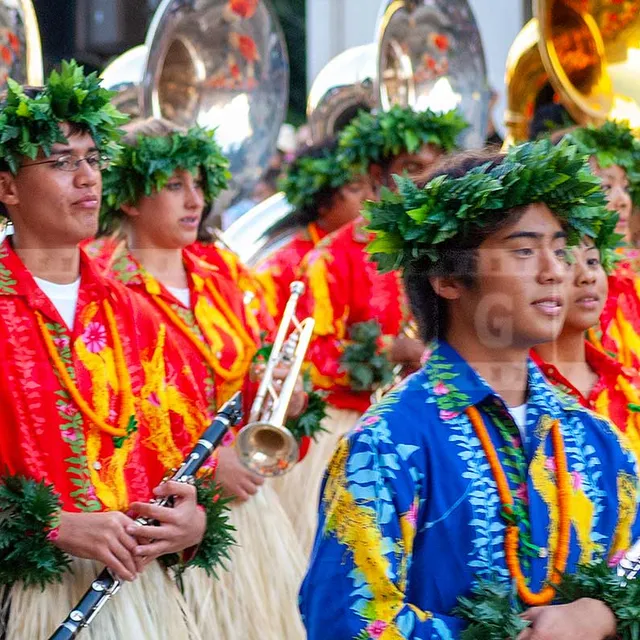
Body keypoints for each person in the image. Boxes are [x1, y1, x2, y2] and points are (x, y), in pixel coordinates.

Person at [300, 140, 640, 639]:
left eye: (560, 249)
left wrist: (599, 615)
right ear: (447, 278)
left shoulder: (597, 438)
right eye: (524, 250)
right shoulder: (388, 445)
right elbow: (345, 623)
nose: (555, 271)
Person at [0, 62, 230, 640]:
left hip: (140, 603)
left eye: (92, 160)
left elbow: (189, 466)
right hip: (18, 601)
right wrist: (55, 525)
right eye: (61, 162)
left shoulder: (135, 315)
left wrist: (192, 521)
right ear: (7, 187)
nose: (87, 179)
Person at [96, 117, 308, 640]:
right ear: (128, 198)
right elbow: (117, 411)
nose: (195, 199)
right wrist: (213, 465)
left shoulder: (221, 270)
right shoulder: (100, 282)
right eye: (173, 185)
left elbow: (253, 363)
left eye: (197, 183)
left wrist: (279, 388)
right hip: (154, 518)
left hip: (246, 513)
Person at [282, 106, 468, 554]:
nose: (427, 180)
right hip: (352, 434)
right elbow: (308, 359)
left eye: (436, 167)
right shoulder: (330, 259)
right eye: (411, 169)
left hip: (444, 427)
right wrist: (394, 350)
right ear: (376, 177)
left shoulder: (453, 250)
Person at [532, 238, 640, 458]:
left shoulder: (629, 386)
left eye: (592, 261)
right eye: (567, 263)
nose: (587, 277)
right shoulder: (517, 392)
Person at [255, 138, 374, 318]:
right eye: (355, 188)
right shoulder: (280, 269)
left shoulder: (374, 250)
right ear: (322, 202)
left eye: (373, 187)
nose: (371, 198)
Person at [563, 121, 640, 369]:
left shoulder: (632, 269)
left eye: (625, 187)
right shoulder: (566, 280)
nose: (623, 200)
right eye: (606, 186)